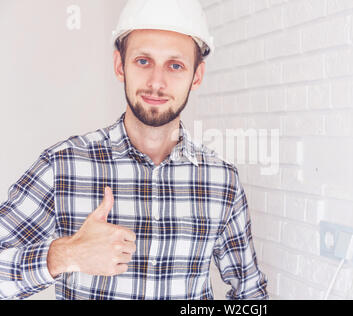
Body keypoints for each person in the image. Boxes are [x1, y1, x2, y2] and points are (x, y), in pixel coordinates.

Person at [0, 0, 268, 300]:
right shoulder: (62, 166)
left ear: (197, 75)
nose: (157, 82)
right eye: (143, 61)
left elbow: (250, 295)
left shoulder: (222, 182)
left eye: (175, 65)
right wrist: (65, 254)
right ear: (120, 66)